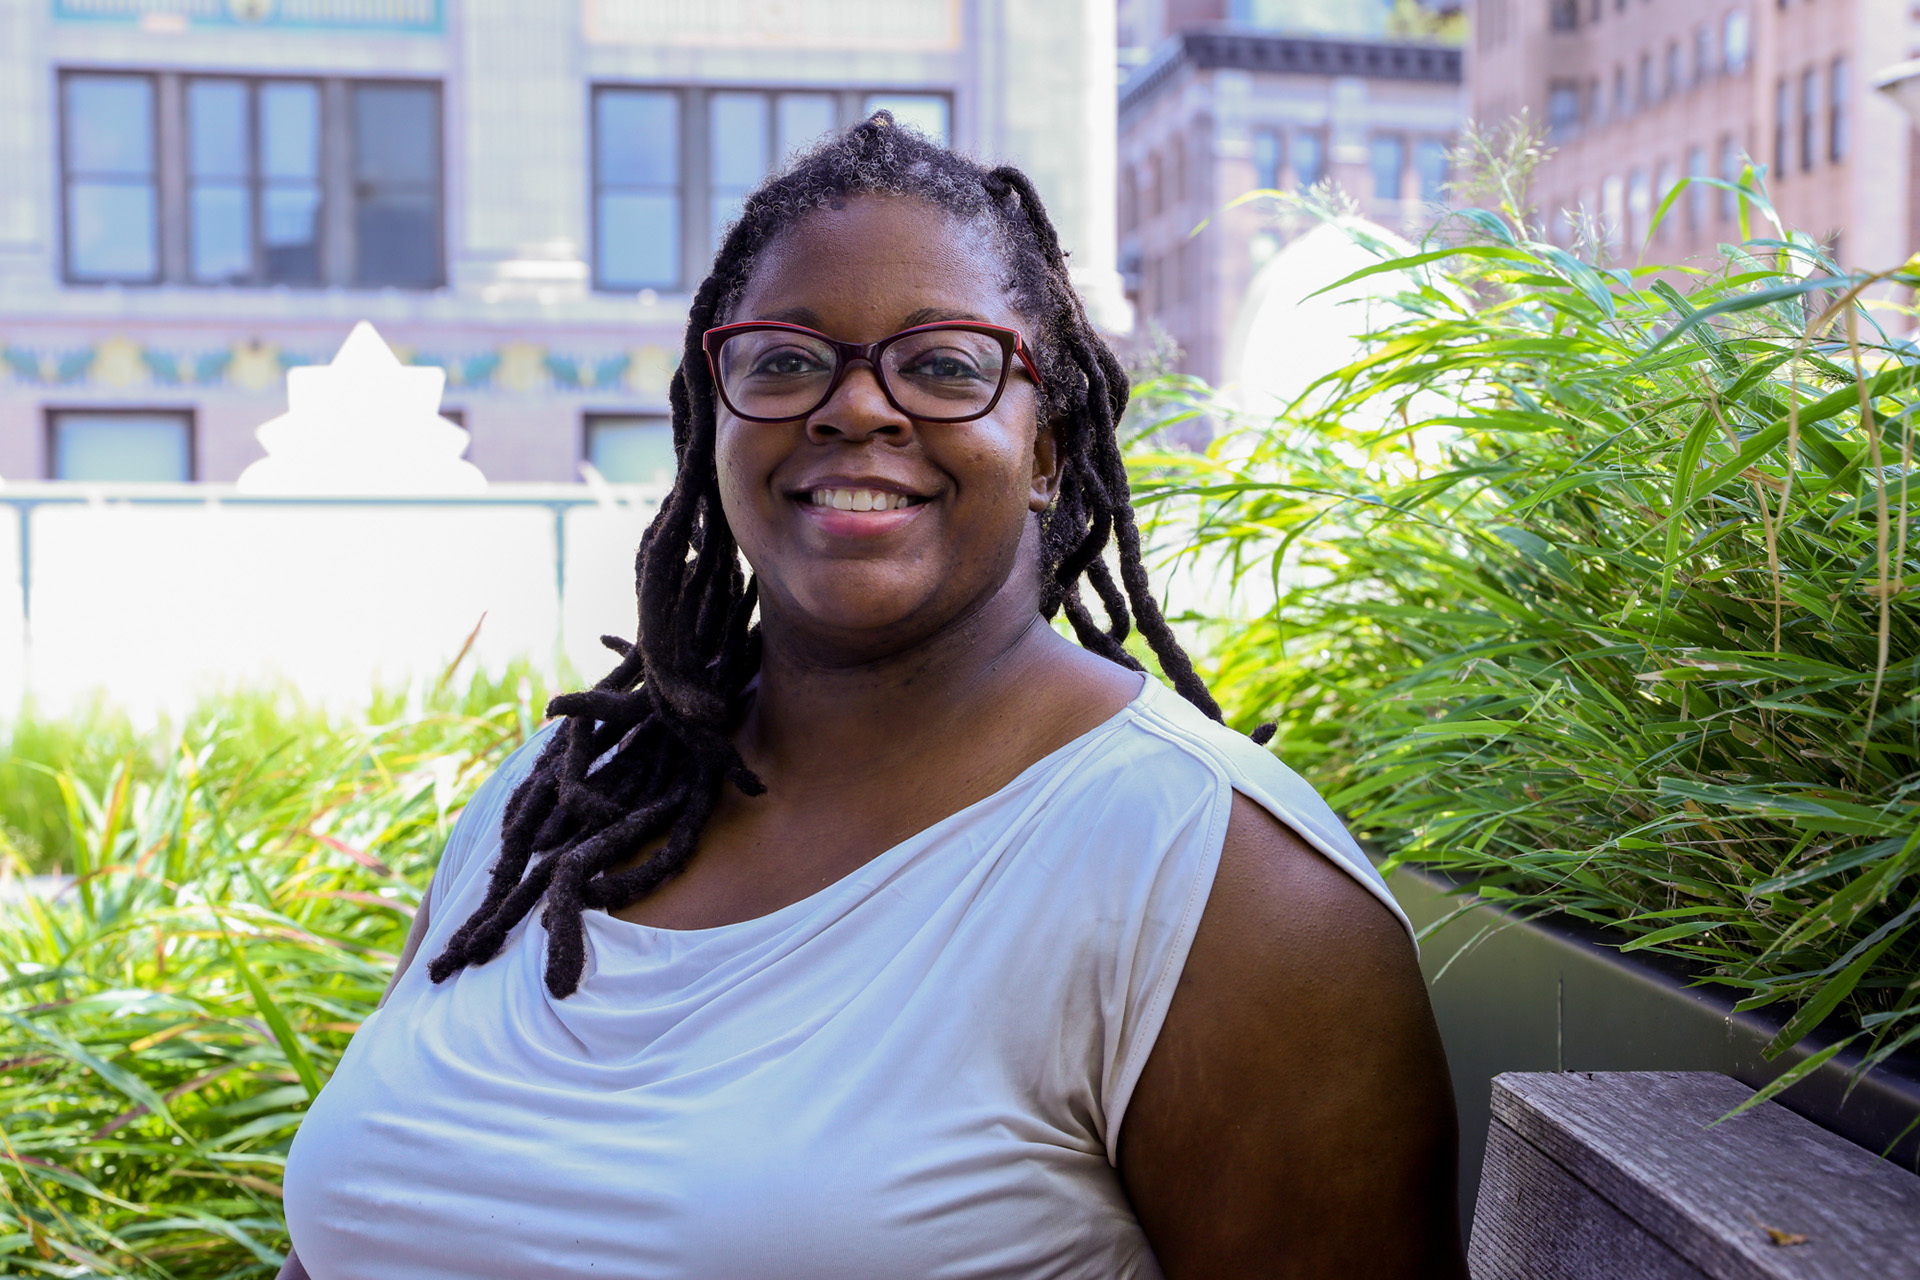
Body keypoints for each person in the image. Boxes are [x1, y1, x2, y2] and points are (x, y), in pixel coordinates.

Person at [279, 114, 1466, 1279]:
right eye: (786, 360)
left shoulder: (1220, 883)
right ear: (714, 416)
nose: (855, 406)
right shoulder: (555, 809)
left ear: (1047, 445)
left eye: (944, 363)